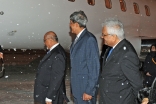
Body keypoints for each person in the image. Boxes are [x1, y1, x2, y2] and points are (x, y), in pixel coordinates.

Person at [99, 18, 143, 104]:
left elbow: (136, 82)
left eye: (104, 35)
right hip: (108, 99)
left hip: (119, 100)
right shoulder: (111, 49)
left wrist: (141, 98)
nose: (102, 37)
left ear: (114, 36)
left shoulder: (127, 54)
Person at [69, 10, 100, 104]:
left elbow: (94, 67)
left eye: (70, 23)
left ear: (76, 24)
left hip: (85, 89)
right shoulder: (77, 39)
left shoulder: (89, 39)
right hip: (78, 87)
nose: (69, 25)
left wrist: (89, 90)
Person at [34, 31, 69, 104]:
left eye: (45, 41)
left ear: (50, 40)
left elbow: (57, 77)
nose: (44, 43)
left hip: (50, 95)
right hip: (45, 92)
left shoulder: (58, 54)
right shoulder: (54, 51)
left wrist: (49, 97)